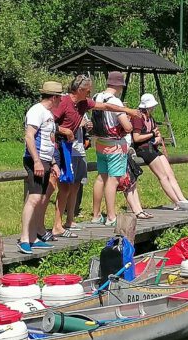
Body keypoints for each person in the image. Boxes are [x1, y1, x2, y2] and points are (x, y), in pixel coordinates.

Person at [51, 75, 137, 237]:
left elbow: (105, 106)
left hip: (70, 148)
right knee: (59, 187)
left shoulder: (83, 103)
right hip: (59, 147)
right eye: (89, 89)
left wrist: (126, 110)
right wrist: (65, 130)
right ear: (80, 89)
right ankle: (56, 225)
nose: (91, 92)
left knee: (68, 186)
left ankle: (61, 223)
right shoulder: (64, 102)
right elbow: (49, 122)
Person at [20, 81, 63, 254]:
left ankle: (33, 237)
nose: (61, 100)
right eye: (59, 97)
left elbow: (48, 141)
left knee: (41, 199)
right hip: (34, 160)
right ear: (54, 97)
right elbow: (29, 137)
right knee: (34, 199)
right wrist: (37, 161)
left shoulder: (48, 114)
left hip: (45, 160)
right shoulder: (36, 111)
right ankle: (24, 238)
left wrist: (53, 163)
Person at [131, 93, 188, 210]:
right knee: (163, 176)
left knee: (170, 174)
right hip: (144, 149)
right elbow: (136, 138)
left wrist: (158, 138)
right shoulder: (138, 118)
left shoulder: (150, 118)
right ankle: (176, 202)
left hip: (153, 147)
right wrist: (152, 135)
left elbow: (157, 133)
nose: (153, 108)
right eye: (151, 106)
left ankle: (182, 199)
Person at [89, 71, 134, 227]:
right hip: (115, 145)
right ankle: (111, 216)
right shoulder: (116, 102)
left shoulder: (96, 97)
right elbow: (127, 127)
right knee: (113, 180)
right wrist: (129, 118)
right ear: (119, 85)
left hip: (100, 143)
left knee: (101, 177)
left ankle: (95, 215)